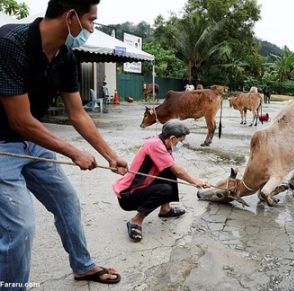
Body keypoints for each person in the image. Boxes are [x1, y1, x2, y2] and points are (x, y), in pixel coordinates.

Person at [0, 0, 128, 288]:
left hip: (31, 142)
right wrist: (73, 152)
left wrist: (110, 156)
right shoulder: (10, 44)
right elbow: (20, 120)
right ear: (71, 16)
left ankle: (83, 266)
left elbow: (78, 113)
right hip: (3, 145)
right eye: (91, 20)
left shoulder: (65, 56)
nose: (92, 29)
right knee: (20, 227)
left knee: (67, 201)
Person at [113, 120, 210, 242]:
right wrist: (196, 181)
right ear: (172, 138)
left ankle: (165, 210)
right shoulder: (155, 145)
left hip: (142, 186)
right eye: (180, 141)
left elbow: (173, 169)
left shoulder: (163, 143)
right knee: (165, 189)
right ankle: (135, 221)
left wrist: (194, 180)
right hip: (128, 195)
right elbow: (179, 172)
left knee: (169, 171)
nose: (181, 144)